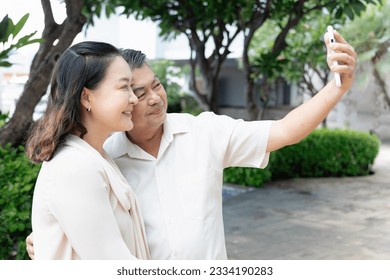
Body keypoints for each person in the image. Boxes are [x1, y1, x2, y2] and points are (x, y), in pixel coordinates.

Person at [27, 30, 357, 260]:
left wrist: (336, 87)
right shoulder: (102, 158)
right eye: (134, 91)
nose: (151, 98)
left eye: (155, 85)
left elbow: (285, 130)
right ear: (88, 97)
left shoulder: (203, 132)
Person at [25, 41, 150, 260]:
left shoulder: (95, 156)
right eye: (123, 87)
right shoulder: (75, 166)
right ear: (86, 97)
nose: (133, 98)